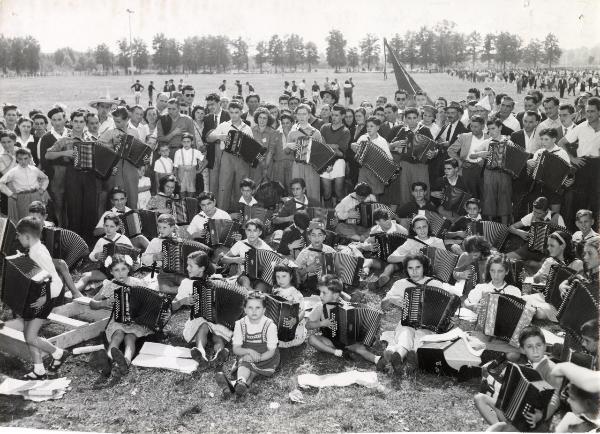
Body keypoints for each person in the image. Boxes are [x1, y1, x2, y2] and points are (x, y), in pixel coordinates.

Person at [380, 253, 461, 375]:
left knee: (422, 335)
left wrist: (452, 316)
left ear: (424, 268)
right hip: (408, 322)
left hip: (429, 326)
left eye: (418, 267)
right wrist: (392, 300)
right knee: (405, 331)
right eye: (410, 268)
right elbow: (383, 305)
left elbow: (454, 300)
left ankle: (411, 357)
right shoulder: (401, 284)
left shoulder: (436, 284)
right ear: (406, 269)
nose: (414, 272)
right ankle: (399, 356)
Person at [474, 326, 561, 432]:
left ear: (545, 346)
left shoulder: (552, 369)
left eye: (538, 345)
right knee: (480, 398)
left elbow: (555, 399)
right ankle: (506, 428)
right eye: (530, 347)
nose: (535, 350)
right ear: (523, 350)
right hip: (514, 414)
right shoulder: (525, 365)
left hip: (533, 422)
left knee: (495, 430)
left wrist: (541, 415)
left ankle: (507, 429)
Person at [14, 217, 70, 379]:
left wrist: (45, 299)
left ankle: (58, 353)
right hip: (36, 295)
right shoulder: (34, 250)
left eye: (19, 235)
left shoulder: (38, 252)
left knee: (31, 336)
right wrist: (24, 260)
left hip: (45, 298)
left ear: (27, 237)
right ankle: (39, 369)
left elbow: (53, 279)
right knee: (27, 332)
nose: (17, 238)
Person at [90, 254, 151, 378]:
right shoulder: (110, 285)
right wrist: (104, 303)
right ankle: (108, 361)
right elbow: (92, 303)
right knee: (117, 335)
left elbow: (150, 299)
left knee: (130, 337)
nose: (120, 273)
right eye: (116, 270)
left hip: (136, 320)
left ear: (129, 269)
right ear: (111, 272)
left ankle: (125, 362)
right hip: (118, 319)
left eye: (123, 269)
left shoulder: (138, 283)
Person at [306, 275, 386, 368]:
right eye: (320, 292)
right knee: (312, 339)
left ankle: (377, 359)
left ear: (335, 295)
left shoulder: (344, 303)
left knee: (360, 349)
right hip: (330, 340)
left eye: (324, 293)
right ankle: (336, 352)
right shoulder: (319, 307)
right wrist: (321, 323)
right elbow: (307, 325)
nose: (320, 296)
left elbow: (355, 309)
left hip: (346, 340)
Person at [171, 250, 231, 372]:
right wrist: (183, 301)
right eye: (187, 265)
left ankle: (219, 353)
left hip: (216, 320)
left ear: (202, 268)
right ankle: (201, 354)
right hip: (198, 319)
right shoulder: (187, 283)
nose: (187, 268)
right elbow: (172, 307)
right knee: (203, 325)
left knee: (217, 334)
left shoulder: (217, 280)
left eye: (191, 266)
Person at [215, 291, 280, 400]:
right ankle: (241, 383)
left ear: (264, 310)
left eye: (258, 308)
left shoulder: (270, 325)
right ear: (244, 309)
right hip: (246, 354)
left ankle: (234, 385)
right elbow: (236, 349)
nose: (254, 311)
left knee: (252, 370)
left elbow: (271, 351)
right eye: (250, 307)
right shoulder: (240, 324)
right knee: (245, 364)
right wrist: (249, 352)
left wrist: (257, 357)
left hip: (266, 356)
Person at [45, 110, 98, 241]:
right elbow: (48, 155)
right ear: (71, 122)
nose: (78, 124)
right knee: (74, 208)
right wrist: (65, 153)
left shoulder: (91, 139)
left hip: (90, 177)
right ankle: (75, 241)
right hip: (72, 177)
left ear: (85, 123)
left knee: (89, 208)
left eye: (81, 122)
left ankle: (89, 241)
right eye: (76, 121)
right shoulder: (64, 140)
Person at [523, 231, 583, 321]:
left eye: (552, 246)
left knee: (540, 314)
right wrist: (539, 277)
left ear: (562, 246)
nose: (548, 248)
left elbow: (580, 287)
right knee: (523, 299)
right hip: (545, 298)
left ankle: (531, 311)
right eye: (548, 245)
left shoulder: (577, 263)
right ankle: (530, 309)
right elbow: (535, 279)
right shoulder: (549, 261)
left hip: (563, 305)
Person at [207, 101, 254, 211]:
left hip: (242, 160)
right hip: (227, 158)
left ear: (241, 112)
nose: (234, 115)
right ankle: (222, 214)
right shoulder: (224, 125)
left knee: (241, 187)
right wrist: (219, 136)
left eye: (236, 112)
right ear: (229, 112)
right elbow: (209, 138)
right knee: (224, 186)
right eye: (231, 112)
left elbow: (253, 148)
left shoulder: (247, 128)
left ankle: (241, 214)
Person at [75, 212, 135, 294]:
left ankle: (112, 287)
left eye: (112, 226)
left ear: (117, 227)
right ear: (103, 226)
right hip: (106, 271)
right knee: (86, 276)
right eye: (106, 226)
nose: (108, 229)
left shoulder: (123, 239)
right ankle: (73, 292)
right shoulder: (102, 240)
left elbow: (133, 254)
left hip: (121, 271)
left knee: (118, 283)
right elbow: (91, 255)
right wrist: (96, 256)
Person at [386, 107, 433, 207]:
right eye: (409, 118)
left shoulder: (424, 130)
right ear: (405, 119)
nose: (412, 121)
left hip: (421, 165)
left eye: (414, 118)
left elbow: (433, 147)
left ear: (419, 118)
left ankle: (424, 211)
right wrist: (395, 144)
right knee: (405, 189)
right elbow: (389, 146)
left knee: (422, 188)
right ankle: (406, 212)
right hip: (405, 165)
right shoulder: (402, 131)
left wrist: (433, 153)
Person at [470, 119, 513, 225]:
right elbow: (472, 155)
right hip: (489, 173)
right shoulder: (488, 142)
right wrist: (481, 154)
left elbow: (515, 158)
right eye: (489, 129)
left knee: (504, 198)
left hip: (504, 173)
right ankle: (490, 225)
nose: (491, 131)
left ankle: (504, 227)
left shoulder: (508, 141)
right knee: (489, 198)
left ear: (500, 128)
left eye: (493, 128)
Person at [99, 106, 141, 209]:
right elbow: (98, 145)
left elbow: (139, 150)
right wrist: (112, 144)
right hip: (116, 168)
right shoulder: (110, 131)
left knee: (132, 198)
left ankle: (132, 221)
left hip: (131, 168)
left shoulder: (134, 132)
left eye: (118, 121)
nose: (116, 124)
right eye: (114, 121)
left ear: (127, 119)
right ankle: (116, 222)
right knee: (117, 197)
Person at [525, 128, 572, 215]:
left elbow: (568, 172)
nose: (543, 142)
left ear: (554, 139)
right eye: (542, 139)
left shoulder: (561, 153)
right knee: (536, 212)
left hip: (555, 190)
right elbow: (531, 172)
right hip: (539, 188)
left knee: (554, 215)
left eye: (546, 139)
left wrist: (568, 180)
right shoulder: (539, 152)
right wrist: (529, 163)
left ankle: (553, 227)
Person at [284, 104, 324, 205]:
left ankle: (314, 215)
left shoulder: (316, 133)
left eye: (304, 114)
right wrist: (288, 146)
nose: (301, 117)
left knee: (313, 191)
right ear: (296, 116)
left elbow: (321, 153)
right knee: (297, 191)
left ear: (309, 115)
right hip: (297, 165)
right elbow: (286, 152)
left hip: (312, 166)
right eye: (299, 114)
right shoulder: (292, 133)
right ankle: (298, 216)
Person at [507, 196, 565, 263]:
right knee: (505, 258)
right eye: (534, 211)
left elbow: (564, 237)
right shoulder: (532, 215)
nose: (536, 215)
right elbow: (511, 228)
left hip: (549, 252)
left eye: (539, 213)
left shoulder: (557, 217)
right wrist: (520, 233)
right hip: (530, 249)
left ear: (546, 211)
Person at [38, 107, 70, 226]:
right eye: (54, 120)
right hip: (56, 177)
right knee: (58, 205)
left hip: (72, 175)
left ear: (64, 119)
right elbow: (44, 160)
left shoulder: (71, 133)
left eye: (59, 119)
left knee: (71, 204)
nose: (57, 123)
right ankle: (60, 231)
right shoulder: (46, 137)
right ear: (51, 121)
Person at [221, 218, 273, 292]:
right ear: (245, 231)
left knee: (261, 288)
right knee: (245, 281)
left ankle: (255, 295)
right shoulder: (240, 244)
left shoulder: (266, 248)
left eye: (255, 231)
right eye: (249, 230)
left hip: (260, 279)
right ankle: (253, 293)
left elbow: (272, 267)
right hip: (243, 276)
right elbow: (223, 259)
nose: (251, 234)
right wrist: (235, 260)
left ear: (260, 233)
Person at [0, 148, 49, 224]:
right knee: (26, 220)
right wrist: (11, 194)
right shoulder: (14, 171)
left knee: (38, 218)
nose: (23, 161)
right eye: (20, 159)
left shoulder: (34, 169)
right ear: (16, 159)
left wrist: (42, 189)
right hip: (22, 197)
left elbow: (45, 178)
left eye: (25, 158)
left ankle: (39, 234)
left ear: (29, 158)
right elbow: (1, 183)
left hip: (36, 195)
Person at [351, 116, 393, 198]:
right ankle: (362, 210)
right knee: (361, 193)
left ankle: (373, 210)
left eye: (371, 126)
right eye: (367, 126)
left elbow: (390, 158)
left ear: (378, 127)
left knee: (374, 196)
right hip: (363, 170)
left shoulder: (382, 141)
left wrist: (380, 160)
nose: (369, 128)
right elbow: (356, 153)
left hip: (376, 173)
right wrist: (354, 147)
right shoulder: (363, 138)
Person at [447, 115, 487, 199]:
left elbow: (492, 155)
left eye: (476, 127)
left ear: (483, 126)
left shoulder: (488, 138)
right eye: (471, 126)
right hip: (467, 169)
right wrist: (459, 160)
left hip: (483, 171)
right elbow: (450, 150)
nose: (473, 129)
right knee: (467, 195)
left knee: (483, 195)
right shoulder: (464, 136)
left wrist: (484, 160)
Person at [295, 221, 337, 293]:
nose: (316, 238)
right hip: (312, 285)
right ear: (309, 237)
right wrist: (307, 269)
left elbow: (339, 265)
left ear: (324, 237)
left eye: (320, 235)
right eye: (313, 235)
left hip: (330, 282)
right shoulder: (305, 253)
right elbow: (295, 273)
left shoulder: (330, 250)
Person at [271, 264, 306, 348]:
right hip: (279, 323)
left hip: (293, 328)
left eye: (284, 276)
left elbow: (303, 312)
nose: (280, 280)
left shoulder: (295, 294)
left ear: (291, 276)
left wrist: (295, 320)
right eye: (278, 277)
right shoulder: (275, 290)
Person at [250, 107, 277, 182]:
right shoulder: (251, 130)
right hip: (254, 163)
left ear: (268, 120)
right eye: (260, 117)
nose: (262, 120)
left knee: (267, 185)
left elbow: (271, 151)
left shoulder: (272, 132)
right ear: (256, 118)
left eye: (264, 118)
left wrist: (265, 167)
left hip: (268, 163)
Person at [173, 132, 204, 198]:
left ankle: (190, 206)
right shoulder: (178, 152)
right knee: (182, 193)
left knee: (191, 193)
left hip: (192, 174)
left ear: (191, 142)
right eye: (184, 142)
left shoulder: (196, 152)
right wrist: (177, 179)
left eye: (188, 142)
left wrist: (199, 170)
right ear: (181, 142)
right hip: (181, 174)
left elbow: (205, 161)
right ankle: (183, 206)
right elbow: (175, 168)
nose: (186, 144)